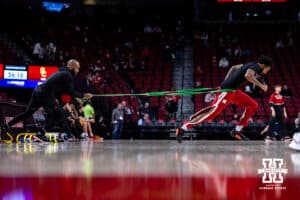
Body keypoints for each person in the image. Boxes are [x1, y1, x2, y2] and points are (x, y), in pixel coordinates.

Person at [176, 55, 272, 143]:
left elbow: (233, 67)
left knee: (253, 105)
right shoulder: (257, 66)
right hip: (226, 92)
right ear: (264, 65)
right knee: (211, 114)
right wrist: (261, 86)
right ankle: (183, 127)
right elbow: (248, 75)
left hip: (234, 91)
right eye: (268, 69)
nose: (267, 71)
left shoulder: (249, 64)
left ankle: (237, 130)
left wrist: (226, 79)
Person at [4, 59, 93, 140]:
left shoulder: (62, 72)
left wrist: (59, 100)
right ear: (73, 67)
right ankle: (68, 135)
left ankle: (7, 125)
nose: (77, 71)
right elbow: (71, 92)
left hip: (38, 91)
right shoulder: (68, 75)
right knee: (61, 113)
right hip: (46, 93)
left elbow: (61, 91)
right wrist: (84, 95)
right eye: (77, 68)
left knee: (28, 113)